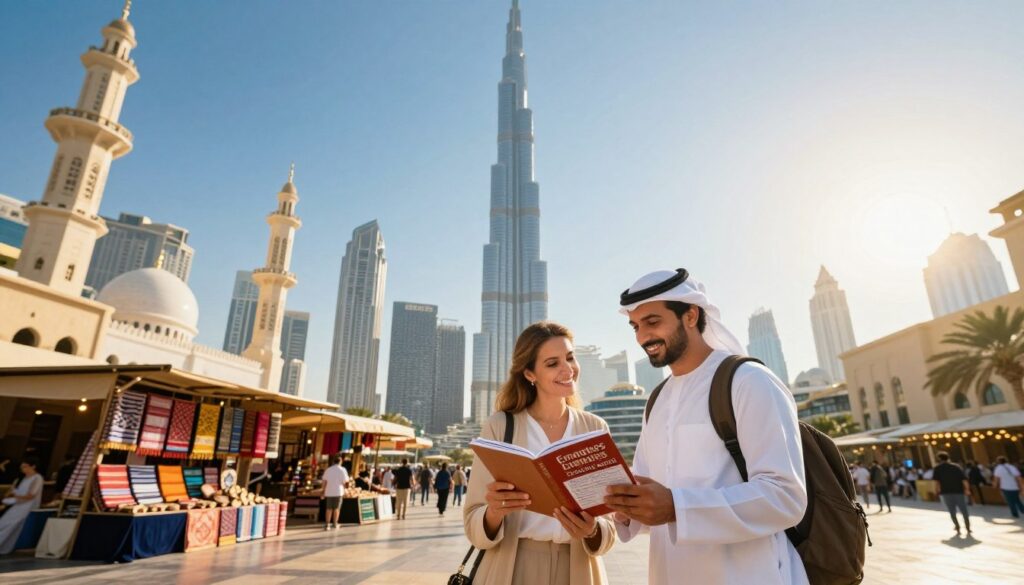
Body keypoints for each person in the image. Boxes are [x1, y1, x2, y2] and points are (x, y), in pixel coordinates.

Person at [604, 269, 808, 584]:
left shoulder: (749, 381)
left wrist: (676, 507)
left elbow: (785, 497)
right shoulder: (656, 400)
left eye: (653, 322)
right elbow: (650, 494)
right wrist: (626, 507)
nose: (643, 337)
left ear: (690, 315)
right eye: (635, 326)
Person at [463, 321, 616, 584]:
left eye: (569, 358)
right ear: (530, 373)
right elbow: (473, 523)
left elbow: (609, 527)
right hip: (512, 567)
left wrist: (592, 529)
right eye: (552, 363)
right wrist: (494, 513)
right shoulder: (500, 425)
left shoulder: (594, 427)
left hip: (577, 568)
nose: (568, 369)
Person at [0, 457, 44, 554]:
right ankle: (3, 548)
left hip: (26, 506)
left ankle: (4, 547)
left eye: (25, 466)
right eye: (22, 467)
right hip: (18, 504)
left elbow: (31, 495)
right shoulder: (22, 478)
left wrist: (15, 497)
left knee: (10, 525)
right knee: (4, 523)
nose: (23, 469)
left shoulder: (37, 478)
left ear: (33, 466)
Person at [932, 452, 971, 535]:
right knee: (963, 510)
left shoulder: (937, 468)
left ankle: (957, 526)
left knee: (952, 511)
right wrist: (967, 489)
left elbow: (937, 482)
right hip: (959, 491)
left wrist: (936, 491)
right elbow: (964, 479)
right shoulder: (956, 466)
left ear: (939, 459)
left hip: (946, 492)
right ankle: (968, 527)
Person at [321, 454, 349, 531]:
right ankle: (335, 524)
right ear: (340, 461)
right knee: (336, 509)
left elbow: (324, 482)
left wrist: (323, 491)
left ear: (333, 462)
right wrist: (346, 490)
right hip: (338, 492)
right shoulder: (343, 470)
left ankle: (327, 525)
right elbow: (345, 482)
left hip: (329, 492)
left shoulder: (328, 470)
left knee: (328, 509)